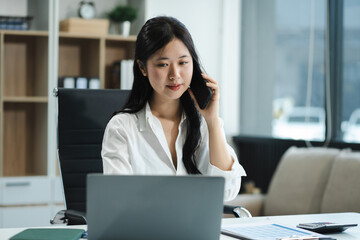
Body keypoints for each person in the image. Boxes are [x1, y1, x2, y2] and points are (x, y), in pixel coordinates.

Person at [101, 16, 246, 201]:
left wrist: (212, 122)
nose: (175, 75)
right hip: (143, 229)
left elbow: (227, 191)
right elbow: (117, 199)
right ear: (142, 67)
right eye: (163, 64)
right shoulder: (121, 128)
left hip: (196, 229)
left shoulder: (203, 125)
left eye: (183, 63)